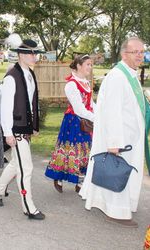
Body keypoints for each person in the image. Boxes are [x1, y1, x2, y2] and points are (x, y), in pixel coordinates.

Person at [79, 37, 146, 227]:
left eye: (142, 52)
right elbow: (113, 111)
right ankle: (116, 211)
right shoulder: (118, 76)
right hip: (122, 138)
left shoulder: (129, 74)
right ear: (125, 54)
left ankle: (118, 206)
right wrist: (115, 141)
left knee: (123, 172)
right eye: (136, 52)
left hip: (131, 135)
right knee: (118, 172)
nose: (140, 56)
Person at [0, 39, 45, 220]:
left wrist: (34, 126)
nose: (34, 56)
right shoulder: (11, 77)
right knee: (25, 168)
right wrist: (8, 134)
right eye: (30, 53)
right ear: (21, 54)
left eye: (35, 53)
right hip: (15, 129)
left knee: (16, 163)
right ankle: (28, 207)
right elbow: (5, 108)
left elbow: (31, 103)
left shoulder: (30, 74)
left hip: (25, 128)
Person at [44, 55, 95, 193]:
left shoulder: (86, 82)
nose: (90, 67)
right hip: (73, 121)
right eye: (88, 64)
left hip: (86, 120)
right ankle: (59, 177)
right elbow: (78, 109)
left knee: (86, 150)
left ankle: (80, 181)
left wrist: (99, 113)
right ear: (79, 65)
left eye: (91, 64)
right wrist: (96, 118)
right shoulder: (71, 84)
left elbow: (90, 103)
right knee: (70, 151)